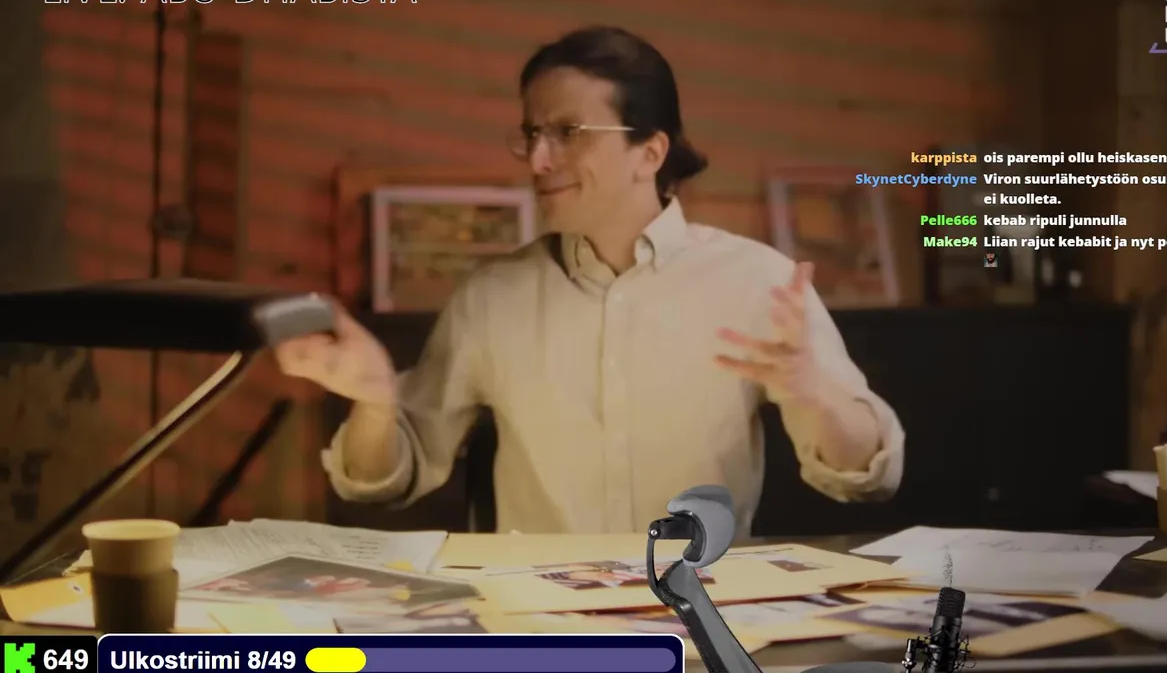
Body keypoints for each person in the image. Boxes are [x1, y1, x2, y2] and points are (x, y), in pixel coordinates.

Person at [276, 26, 906, 535]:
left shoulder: (759, 282)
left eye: (568, 133)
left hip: (702, 615)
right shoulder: (493, 298)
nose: (538, 159)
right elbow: (383, 481)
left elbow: (867, 476)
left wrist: (817, 394)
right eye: (532, 134)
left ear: (650, 153)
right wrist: (376, 402)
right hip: (540, 624)